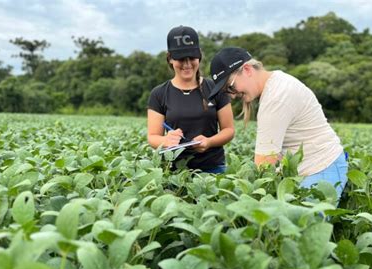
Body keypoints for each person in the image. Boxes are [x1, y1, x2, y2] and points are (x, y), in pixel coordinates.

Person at [208, 47, 348, 201]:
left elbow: (264, 166)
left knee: (308, 224)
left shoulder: (275, 98)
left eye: (230, 87)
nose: (232, 96)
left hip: (321, 169)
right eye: (227, 92)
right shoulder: (277, 81)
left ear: (247, 70)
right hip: (320, 166)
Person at [147, 26, 234, 173]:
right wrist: (166, 141)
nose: (187, 64)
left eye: (192, 58)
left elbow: (229, 130)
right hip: (173, 172)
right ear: (170, 59)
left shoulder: (215, 88)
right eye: (181, 59)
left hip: (213, 169)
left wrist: (209, 142)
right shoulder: (159, 93)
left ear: (199, 56)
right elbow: (153, 136)